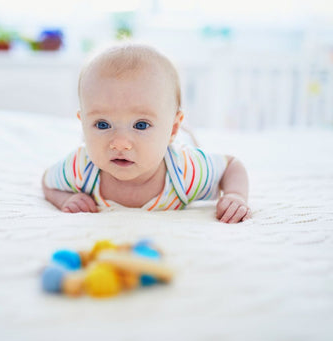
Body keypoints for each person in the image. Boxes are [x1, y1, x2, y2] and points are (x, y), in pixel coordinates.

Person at [42, 42, 251, 223]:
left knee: (191, 141)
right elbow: (47, 181)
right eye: (102, 124)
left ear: (172, 129)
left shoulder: (185, 169)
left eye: (141, 125)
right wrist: (65, 200)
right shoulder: (81, 166)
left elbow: (231, 166)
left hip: (178, 144)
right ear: (83, 125)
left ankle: (185, 132)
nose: (120, 143)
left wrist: (235, 195)